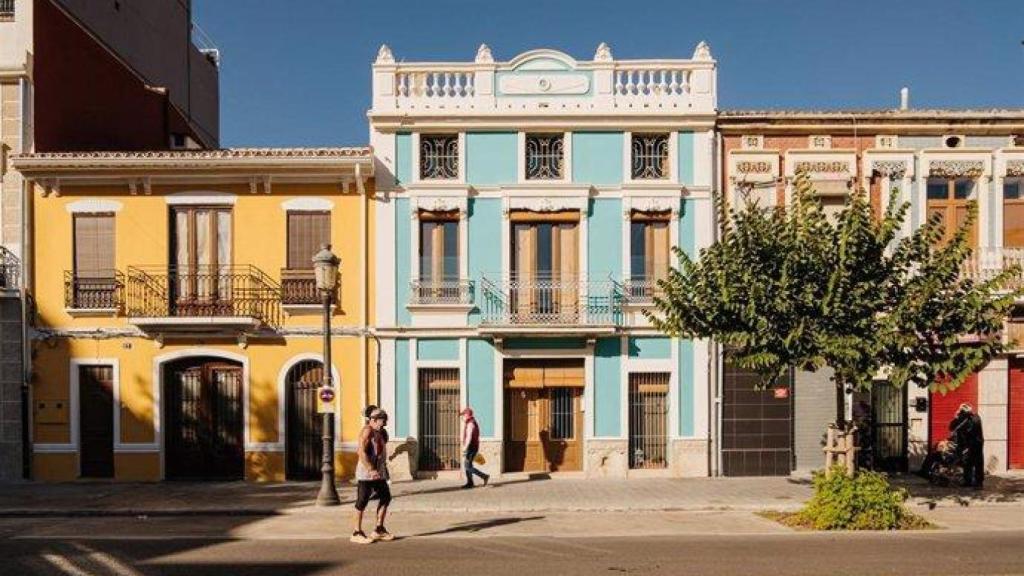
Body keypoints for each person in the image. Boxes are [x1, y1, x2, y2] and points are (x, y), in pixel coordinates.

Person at [351, 408, 394, 544]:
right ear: (373, 420)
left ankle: (379, 530)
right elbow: (361, 451)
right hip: (366, 474)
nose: (385, 423)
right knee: (362, 501)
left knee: (386, 497)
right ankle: (356, 532)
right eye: (383, 420)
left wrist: (382, 470)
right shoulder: (367, 430)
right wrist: (371, 469)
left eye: (385, 420)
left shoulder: (380, 432)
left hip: (378, 473)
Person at [950, 403, 985, 489]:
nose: (960, 413)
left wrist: (957, 417)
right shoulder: (972, 418)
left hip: (973, 444)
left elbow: (953, 427)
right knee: (970, 463)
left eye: (962, 411)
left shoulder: (969, 419)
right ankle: (970, 481)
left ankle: (976, 482)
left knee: (975, 463)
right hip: (973, 444)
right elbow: (953, 427)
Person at [460, 407, 489, 489]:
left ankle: (484, 476)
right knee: (467, 465)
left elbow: (469, 437)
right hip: (472, 447)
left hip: (471, 447)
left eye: (463, 415)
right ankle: (470, 482)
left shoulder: (470, 424)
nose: (462, 417)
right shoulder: (471, 422)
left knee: (468, 466)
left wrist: (465, 448)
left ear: (467, 415)